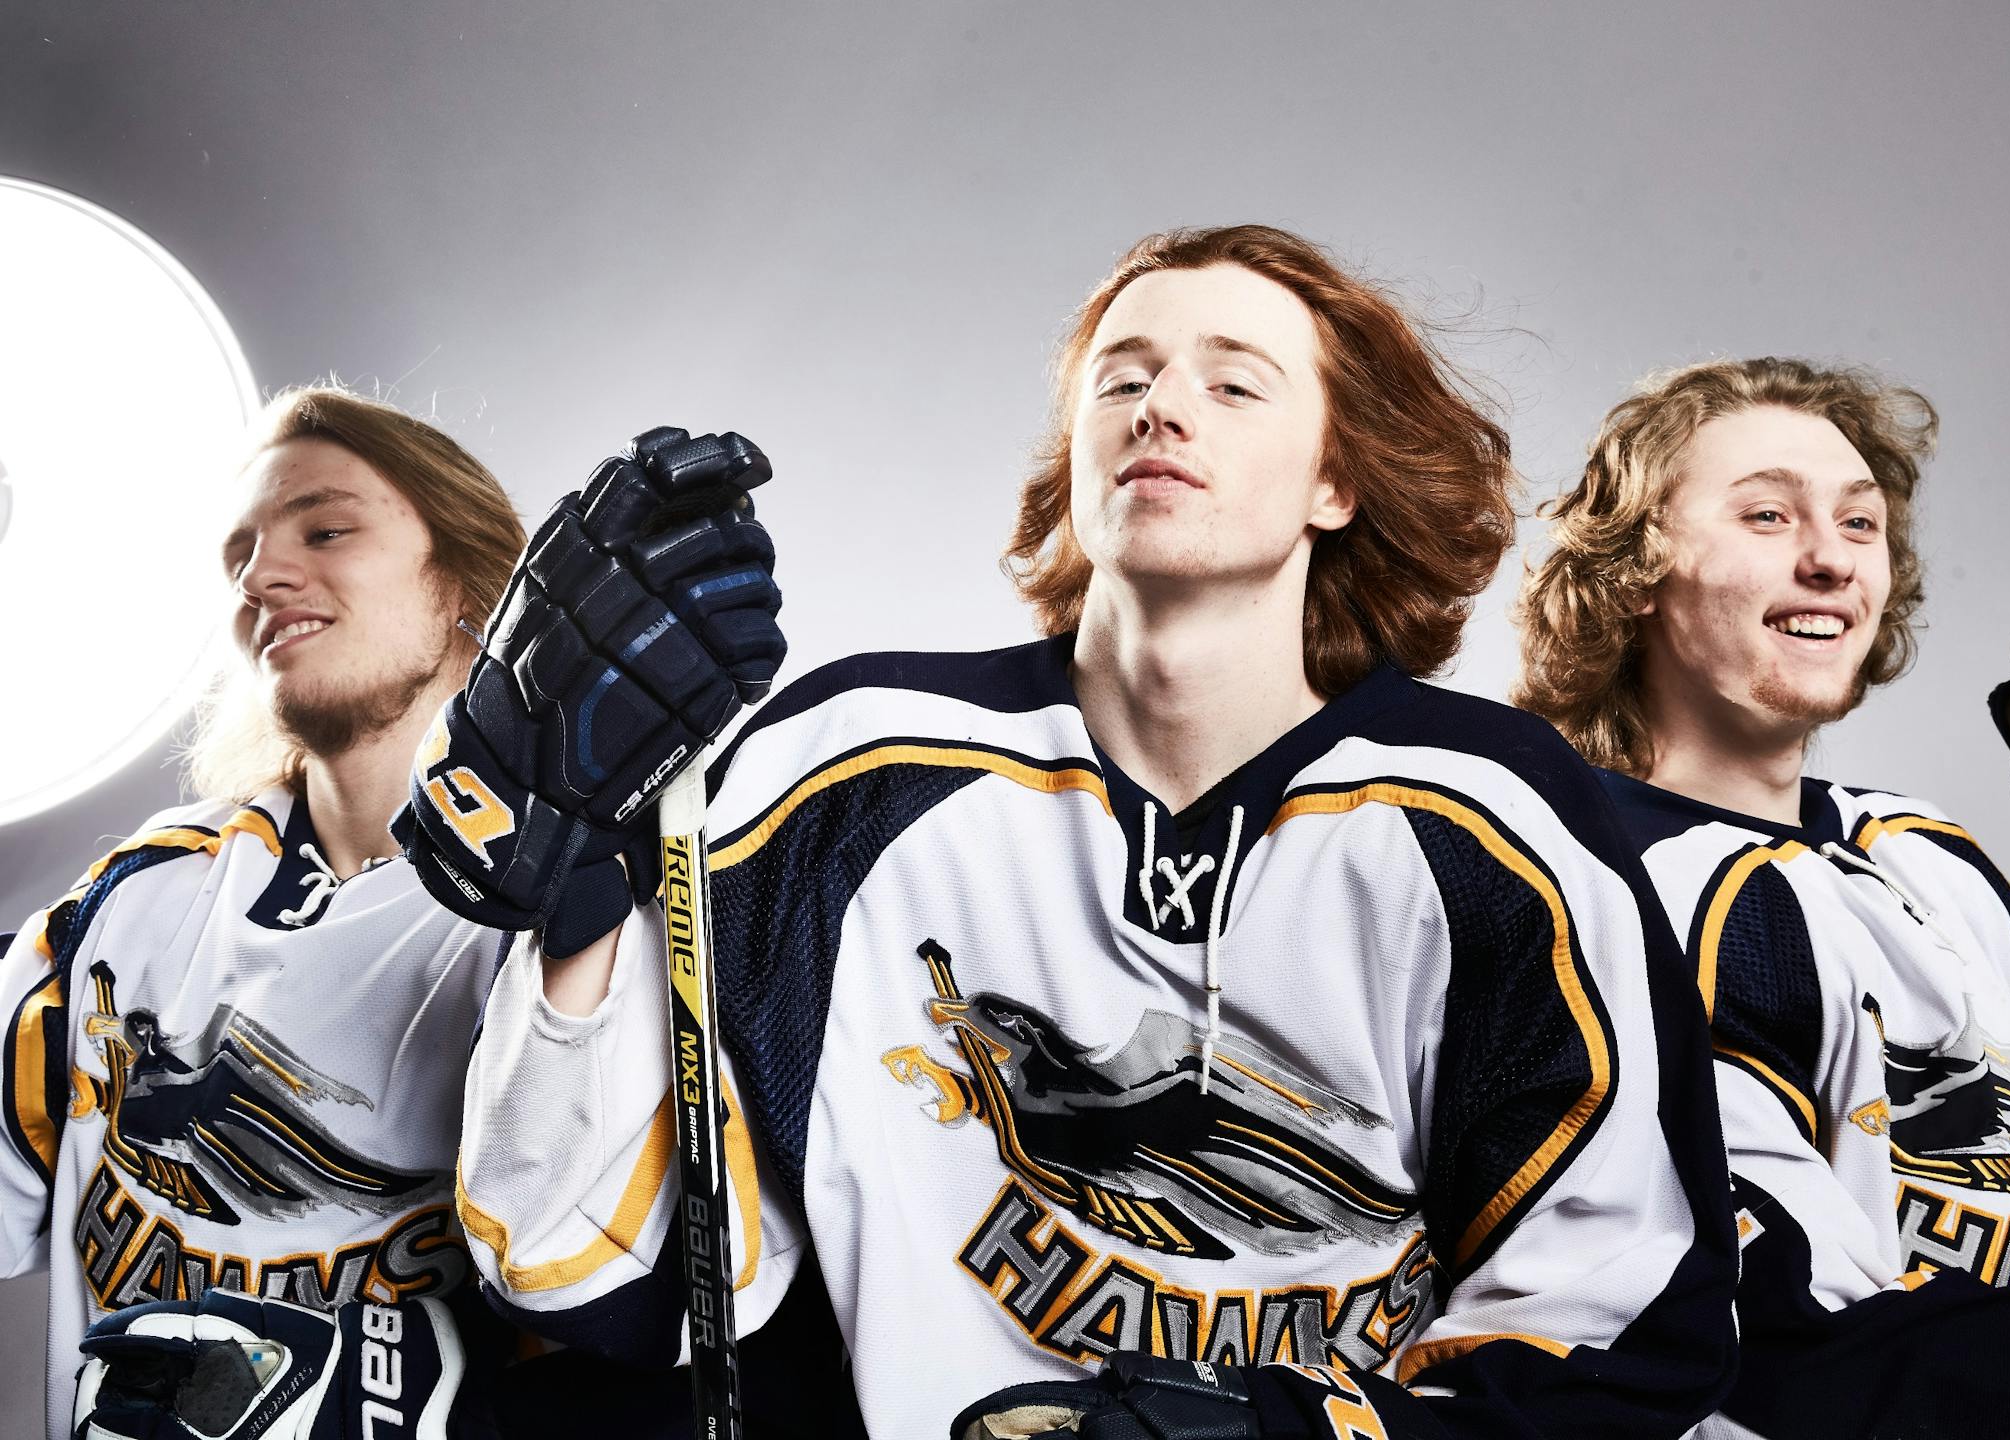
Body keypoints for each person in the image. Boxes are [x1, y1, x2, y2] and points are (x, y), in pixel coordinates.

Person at [426, 226, 1737, 1439]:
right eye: (1122, 380)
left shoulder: (1496, 819)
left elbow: (1624, 1317)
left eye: (1234, 385)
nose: (1161, 407)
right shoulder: (843, 770)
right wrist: (577, 891)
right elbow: (581, 1262)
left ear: (1335, 478)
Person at [35, 391, 783, 1440]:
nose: (261, 577)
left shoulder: (626, 899)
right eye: (237, 557)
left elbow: (633, 1294)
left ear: (474, 587)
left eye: (326, 529)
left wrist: (582, 892)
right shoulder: (126, 906)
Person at [1515, 355, 2010, 1436]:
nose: (1830, 560)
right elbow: (1781, 1338)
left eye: (1861, 526)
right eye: (1767, 515)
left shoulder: (1921, 853)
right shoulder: (1586, 884)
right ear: (1634, 569)